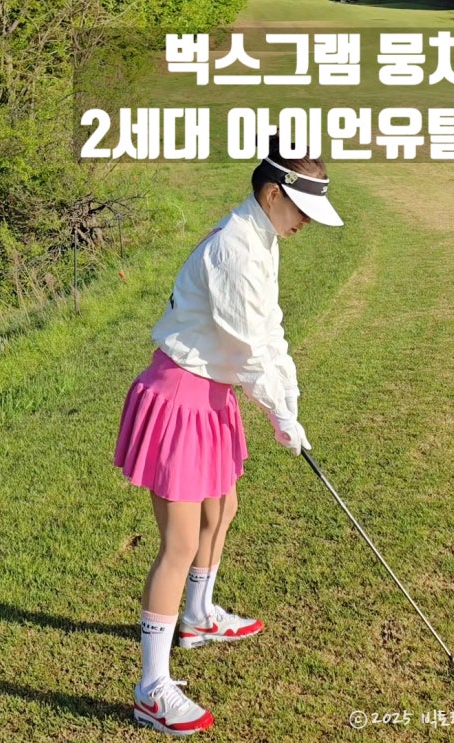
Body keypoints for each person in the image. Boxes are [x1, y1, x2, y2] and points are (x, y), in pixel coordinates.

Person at [114, 138, 344, 736]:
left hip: (212, 395)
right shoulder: (234, 251)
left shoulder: (263, 238)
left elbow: (270, 331)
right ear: (272, 195)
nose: (305, 224)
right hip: (181, 394)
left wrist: (290, 404)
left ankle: (197, 616)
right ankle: (151, 689)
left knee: (223, 511)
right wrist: (279, 416)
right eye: (301, 211)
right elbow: (249, 352)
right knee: (180, 542)